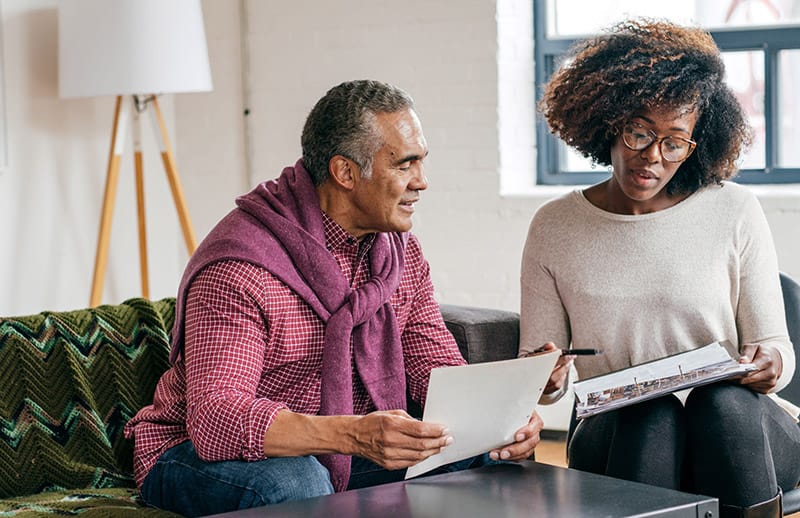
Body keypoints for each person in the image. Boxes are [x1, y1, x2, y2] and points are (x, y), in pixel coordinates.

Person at [125, 79, 544, 516]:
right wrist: (351, 434)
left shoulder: (399, 254)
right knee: (298, 480)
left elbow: (434, 369)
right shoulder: (241, 266)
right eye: (405, 165)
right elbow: (217, 421)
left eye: (422, 162)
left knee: (482, 456)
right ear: (346, 173)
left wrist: (501, 420)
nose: (423, 182)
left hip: (341, 455)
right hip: (195, 456)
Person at [519, 19, 800, 518]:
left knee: (721, 404)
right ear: (609, 122)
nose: (652, 156)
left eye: (674, 142)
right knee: (648, 413)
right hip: (618, 425)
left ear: (697, 143)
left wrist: (770, 364)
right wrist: (546, 373)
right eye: (639, 133)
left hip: (741, 427)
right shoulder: (554, 226)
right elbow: (539, 377)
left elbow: (776, 348)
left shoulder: (733, 210)